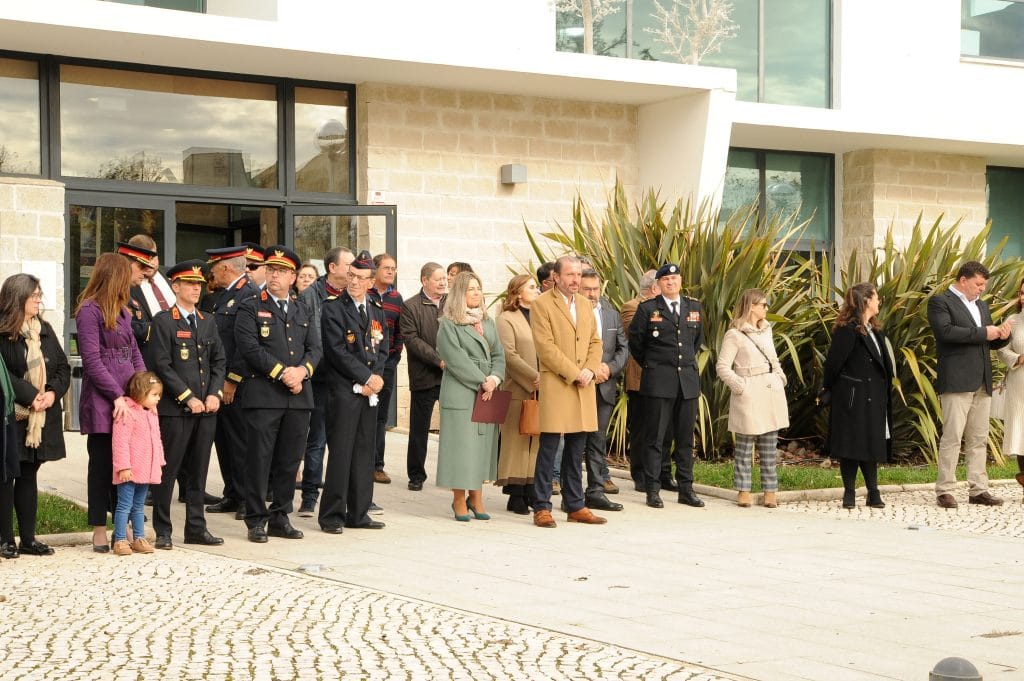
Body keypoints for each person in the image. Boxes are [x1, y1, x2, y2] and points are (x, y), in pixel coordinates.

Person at [234, 245, 321, 542]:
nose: (274, 275)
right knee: (259, 459)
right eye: (271, 269)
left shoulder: (302, 307)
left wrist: (303, 372)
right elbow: (249, 348)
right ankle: (256, 519)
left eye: (282, 271)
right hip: (264, 395)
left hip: (298, 397)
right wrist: (284, 373)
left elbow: (315, 348)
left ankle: (281, 515)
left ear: (293, 276)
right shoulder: (249, 305)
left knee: (288, 460)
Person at [145, 260, 226, 548]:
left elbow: (218, 361)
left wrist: (215, 393)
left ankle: (196, 527)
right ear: (175, 287)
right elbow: (162, 365)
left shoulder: (207, 321)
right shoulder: (164, 321)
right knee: (168, 472)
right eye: (190, 284)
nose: (196, 289)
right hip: (176, 410)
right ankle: (164, 530)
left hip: (206, 410)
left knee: (198, 472)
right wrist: (187, 397)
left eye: (199, 285)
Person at [76, 253, 148, 553]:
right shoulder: (88, 311)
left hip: (128, 400)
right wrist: (116, 395)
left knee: (126, 467)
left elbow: (134, 353)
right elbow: (92, 360)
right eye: (128, 274)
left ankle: (125, 528)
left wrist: (144, 389)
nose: (133, 279)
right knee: (103, 465)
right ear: (114, 276)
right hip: (103, 401)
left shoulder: (124, 312)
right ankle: (98, 529)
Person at [530, 254, 606, 528]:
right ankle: (541, 506)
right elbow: (545, 347)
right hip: (559, 384)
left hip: (584, 384)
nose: (576, 279)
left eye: (579, 274)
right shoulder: (541, 304)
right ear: (556, 277)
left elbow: (595, 342)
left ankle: (575, 504)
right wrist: (575, 373)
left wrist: (590, 368)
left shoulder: (586, 305)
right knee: (549, 447)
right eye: (570, 275)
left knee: (577, 448)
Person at [928, 261, 1012, 508]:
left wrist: (1002, 335)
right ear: (963, 280)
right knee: (952, 437)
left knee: (979, 438)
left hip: (982, 381)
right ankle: (945, 489)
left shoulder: (981, 306)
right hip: (956, 380)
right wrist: (985, 332)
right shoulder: (940, 302)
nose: (982, 289)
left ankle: (978, 489)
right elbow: (946, 333)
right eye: (978, 284)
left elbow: (985, 341)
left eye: (984, 285)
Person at [0, 274, 70, 557]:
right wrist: (31, 396)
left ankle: (28, 539)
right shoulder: (3, 333)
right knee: (6, 476)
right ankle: (5, 539)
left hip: (41, 417)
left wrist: (51, 393)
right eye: (35, 295)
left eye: (40, 295)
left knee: (29, 474)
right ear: (18, 298)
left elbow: (63, 367)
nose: (40, 300)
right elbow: (3, 372)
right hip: (14, 415)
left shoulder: (45, 329)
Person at [318, 251, 388, 533]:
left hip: (369, 391)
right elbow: (336, 351)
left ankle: (359, 512)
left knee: (363, 452)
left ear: (371, 282)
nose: (355, 282)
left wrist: (377, 377)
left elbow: (382, 345)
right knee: (341, 453)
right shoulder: (333, 307)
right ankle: (332, 515)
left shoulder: (375, 306)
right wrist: (366, 376)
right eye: (352, 276)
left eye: (361, 278)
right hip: (345, 390)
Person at [629, 263, 705, 509]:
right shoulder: (648, 309)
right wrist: (655, 366)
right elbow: (637, 344)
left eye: (674, 278)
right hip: (659, 382)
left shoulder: (694, 307)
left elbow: (696, 341)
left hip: (687, 383)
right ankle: (653, 489)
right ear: (658, 284)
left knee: (685, 439)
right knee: (655, 438)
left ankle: (686, 488)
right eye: (666, 279)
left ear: (681, 281)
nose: (671, 282)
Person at [436, 272, 506, 521]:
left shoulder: (488, 322)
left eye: (479, 288)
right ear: (459, 294)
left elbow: (499, 353)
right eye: (471, 289)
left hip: (487, 390)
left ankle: (476, 495)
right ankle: (458, 499)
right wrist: (481, 381)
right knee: (460, 447)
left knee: (482, 446)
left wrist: (495, 378)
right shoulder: (448, 323)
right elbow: (455, 359)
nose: (477, 293)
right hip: (462, 391)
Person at [822, 283, 895, 509]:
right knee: (851, 445)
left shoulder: (874, 329)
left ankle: (873, 491)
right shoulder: (848, 329)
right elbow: (833, 364)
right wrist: (831, 389)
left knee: (871, 444)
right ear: (866, 301)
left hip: (874, 397)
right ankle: (850, 493)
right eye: (876, 298)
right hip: (853, 398)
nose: (879, 301)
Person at [715, 289, 789, 508]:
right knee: (745, 445)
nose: (767, 308)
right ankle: (743, 489)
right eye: (763, 305)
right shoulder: (735, 334)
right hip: (748, 390)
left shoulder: (767, 331)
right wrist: (741, 386)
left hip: (770, 389)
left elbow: (774, 358)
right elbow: (722, 366)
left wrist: (780, 377)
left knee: (769, 443)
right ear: (752, 306)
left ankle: (770, 490)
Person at [296, 246, 354, 517]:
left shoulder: (353, 296)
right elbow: (307, 338)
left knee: (345, 442)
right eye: (349, 265)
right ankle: (309, 497)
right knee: (316, 440)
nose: (353, 271)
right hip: (319, 379)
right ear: (333, 268)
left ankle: (348, 496)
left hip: (348, 380)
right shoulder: (310, 296)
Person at [203, 245, 259, 517]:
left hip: (239, 384)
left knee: (240, 443)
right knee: (224, 441)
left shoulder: (248, 294)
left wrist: (232, 381)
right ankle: (233, 493)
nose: (212, 275)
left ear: (226, 268)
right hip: (220, 381)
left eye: (214, 269)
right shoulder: (227, 296)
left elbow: (245, 345)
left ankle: (249, 498)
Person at [579, 269, 626, 512]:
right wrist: (589, 369)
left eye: (595, 289)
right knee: (575, 442)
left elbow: (622, 348)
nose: (592, 294)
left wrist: (608, 368)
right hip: (578, 385)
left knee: (597, 441)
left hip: (604, 386)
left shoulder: (611, 314)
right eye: (587, 289)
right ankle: (573, 493)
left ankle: (595, 491)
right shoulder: (570, 313)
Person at [620, 269, 671, 490]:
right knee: (642, 428)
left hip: (667, 378)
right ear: (654, 288)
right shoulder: (632, 307)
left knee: (665, 428)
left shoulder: (669, 307)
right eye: (664, 282)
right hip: (641, 377)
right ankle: (640, 473)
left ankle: (664, 473)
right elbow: (638, 337)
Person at [495, 274, 540, 515]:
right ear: (518, 292)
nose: (536, 290)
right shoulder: (506, 319)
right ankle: (515, 495)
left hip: (542, 389)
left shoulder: (540, 317)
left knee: (535, 439)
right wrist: (535, 377)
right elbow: (509, 356)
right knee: (516, 440)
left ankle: (531, 489)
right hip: (517, 387)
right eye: (531, 287)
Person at [400, 262, 447, 491]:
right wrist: (439, 359)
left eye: (444, 278)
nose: (442, 282)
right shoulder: (410, 306)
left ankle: (451, 474)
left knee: (453, 428)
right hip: (424, 377)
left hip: (452, 377)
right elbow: (411, 339)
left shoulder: (452, 303)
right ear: (424, 280)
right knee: (419, 430)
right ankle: (416, 475)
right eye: (437, 279)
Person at [110, 371, 165, 556]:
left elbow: (156, 439)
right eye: (154, 395)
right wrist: (123, 466)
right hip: (130, 470)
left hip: (146, 470)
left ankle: (139, 538)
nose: (158, 399)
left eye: (159, 395)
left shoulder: (151, 414)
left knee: (139, 506)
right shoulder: (127, 412)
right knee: (124, 505)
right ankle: (120, 539)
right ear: (141, 393)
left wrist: (158, 462)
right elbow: (120, 441)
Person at [369, 252, 404, 485]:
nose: (391, 272)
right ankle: (360, 462)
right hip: (364, 366)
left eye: (394, 268)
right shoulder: (364, 293)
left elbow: (399, 333)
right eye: (386, 268)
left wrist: (392, 360)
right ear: (375, 269)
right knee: (364, 416)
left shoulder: (396, 298)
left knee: (381, 418)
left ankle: (377, 466)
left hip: (387, 365)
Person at [997, 277, 1024, 502]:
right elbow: (1001, 350)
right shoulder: (1012, 320)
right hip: (1020, 384)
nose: (1023, 297)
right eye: (1022, 293)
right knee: (1021, 433)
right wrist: (1019, 358)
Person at [126, 234, 175, 355]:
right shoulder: (128, 286)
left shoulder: (173, 275)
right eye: (143, 260)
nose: (149, 264)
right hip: (150, 356)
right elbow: (130, 327)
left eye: (152, 257)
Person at [117, 240, 159, 352]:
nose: (145, 272)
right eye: (141, 266)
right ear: (126, 266)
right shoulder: (110, 296)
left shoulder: (127, 295)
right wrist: (162, 326)